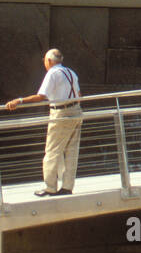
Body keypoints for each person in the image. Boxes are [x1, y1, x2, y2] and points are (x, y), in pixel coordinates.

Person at [4, 49, 82, 196]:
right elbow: (79, 94)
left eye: (45, 60)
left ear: (50, 61)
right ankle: (67, 187)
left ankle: (49, 187)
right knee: (72, 151)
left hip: (61, 113)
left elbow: (41, 96)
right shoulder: (71, 72)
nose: (44, 63)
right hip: (76, 111)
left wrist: (19, 100)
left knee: (52, 151)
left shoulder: (52, 73)